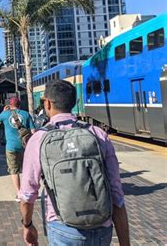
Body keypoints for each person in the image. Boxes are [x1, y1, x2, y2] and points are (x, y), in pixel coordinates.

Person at [19, 80, 130, 246]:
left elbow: (28, 194)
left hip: (63, 228)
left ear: (48, 104)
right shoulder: (97, 133)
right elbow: (116, 193)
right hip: (102, 227)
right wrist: (125, 242)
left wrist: (27, 225)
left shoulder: (39, 139)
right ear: (74, 103)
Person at [0, 97, 35, 202]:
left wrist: (3, 111)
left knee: (14, 171)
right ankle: (27, 191)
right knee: (25, 170)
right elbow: (34, 131)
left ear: (10, 105)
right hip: (25, 147)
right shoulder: (26, 114)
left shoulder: (5, 114)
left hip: (11, 147)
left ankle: (19, 193)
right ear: (19, 104)